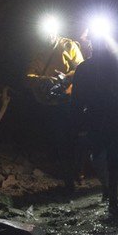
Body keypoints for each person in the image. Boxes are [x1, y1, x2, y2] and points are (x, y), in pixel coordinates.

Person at [71, 31, 118, 218]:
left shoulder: (109, 65)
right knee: (103, 156)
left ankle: (112, 198)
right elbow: (77, 99)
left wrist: (77, 123)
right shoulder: (90, 67)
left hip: (106, 116)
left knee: (111, 157)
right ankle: (109, 192)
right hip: (102, 116)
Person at [23, 22, 85, 187]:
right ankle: (68, 177)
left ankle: (78, 171)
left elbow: (81, 69)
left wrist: (64, 78)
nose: (49, 35)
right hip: (50, 104)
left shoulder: (68, 45)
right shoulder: (37, 52)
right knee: (60, 140)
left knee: (75, 137)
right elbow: (28, 77)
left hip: (69, 100)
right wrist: (43, 80)